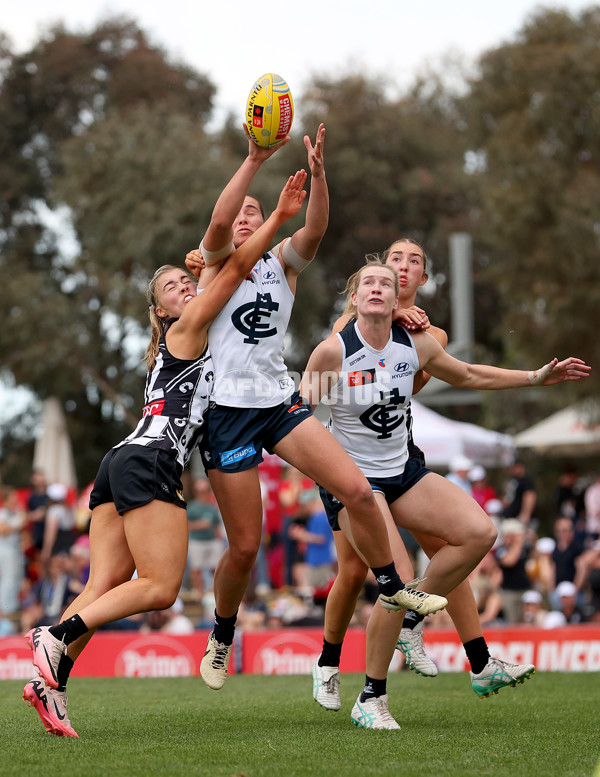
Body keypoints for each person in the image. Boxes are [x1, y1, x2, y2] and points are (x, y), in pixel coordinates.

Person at [22, 169, 310, 738]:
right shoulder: (189, 327)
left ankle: (49, 686)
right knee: (160, 588)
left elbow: (228, 278)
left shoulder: (184, 340)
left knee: (103, 585)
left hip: (121, 459)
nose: (184, 286)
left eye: (185, 280)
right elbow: (235, 269)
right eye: (172, 288)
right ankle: (52, 636)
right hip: (150, 462)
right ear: (163, 313)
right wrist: (277, 217)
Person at [187, 128, 447, 692]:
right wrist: (255, 161)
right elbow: (216, 223)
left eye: (255, 212)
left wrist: (320, 174)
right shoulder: (213, 265)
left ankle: (391, 583)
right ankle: (222, 633)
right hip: (227, 411)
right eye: (241, 211)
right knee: (246, 547)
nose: (246, 216)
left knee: (356, 489)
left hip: (278, 400)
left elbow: (318, 227)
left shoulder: (283, 265)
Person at [301, 255, 590, 728]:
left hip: (402, 473)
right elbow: (297, 417)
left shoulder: (415, 345)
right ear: (353, 299)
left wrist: (534, 377)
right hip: (355, 485)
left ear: (398, 301)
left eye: (386, 284)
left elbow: (470, 375)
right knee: (391, 578)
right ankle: (371, 696)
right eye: (367, 283)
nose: (376, 288)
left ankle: (410, 618)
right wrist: (320, 472)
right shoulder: (332, 351)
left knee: (479, 533)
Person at [186, 477, 224, 600]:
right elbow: (185, 526)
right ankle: (199, 593)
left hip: (212, 541)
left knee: (216, 569)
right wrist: (199, 525)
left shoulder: (212, 507)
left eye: (206, 490)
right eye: (200, 491)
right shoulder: (191, 507)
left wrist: (220, 540)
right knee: (196, 569)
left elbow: (217, 525)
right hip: (197, 541)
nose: (203, 494)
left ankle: (213, 592)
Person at [495, 519, 532, 624]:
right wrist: (518, 543)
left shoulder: (524, 548)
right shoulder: (501, 549)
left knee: (526, 620)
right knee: (513, 622)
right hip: (509, 592)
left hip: (524, 588)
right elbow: (510, 561)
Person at [0, 487, 26, 631]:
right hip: (6, 551)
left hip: (15, 552)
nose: (15, 500)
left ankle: (12, 610)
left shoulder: (15, 513)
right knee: (8, 581)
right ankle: (6, 612)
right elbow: (3, 530)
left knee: (15, 581)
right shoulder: (3, 513)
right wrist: (18, 522)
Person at [502, 460, 537, 525]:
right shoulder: (511, 480)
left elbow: (529, 496)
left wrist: (526, 514)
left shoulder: (526, 481)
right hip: (508, 517)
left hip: (518, 518)